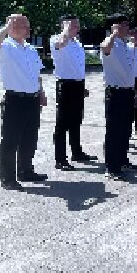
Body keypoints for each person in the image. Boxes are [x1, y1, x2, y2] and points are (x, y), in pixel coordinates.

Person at [0, 14, 48, 190]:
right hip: (15, 100)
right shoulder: (6, 46)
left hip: (32, 99)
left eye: (28, 25)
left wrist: (41, 92)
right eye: (23, 26)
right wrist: (6, 28)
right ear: (12, 27)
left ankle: (25, 171)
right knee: (10, 140)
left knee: (30, 138)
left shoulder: (30, 49)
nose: (28, 29)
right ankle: (8, 179)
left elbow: (36, 74)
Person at [50, 15, 97, 171]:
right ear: (64, 26)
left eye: (78, 25)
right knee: (62, 124)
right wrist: (66, 29)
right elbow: (60, 44)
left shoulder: (77, 43)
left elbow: (77, 65)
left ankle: (77, 152)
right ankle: (60, 159)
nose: (77, 28)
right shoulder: (56, 39)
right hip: (65, 85)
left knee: (76, 120)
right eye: (73, 25)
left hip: (77, 85)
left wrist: (82, 85)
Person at [100, 14, 137, 181]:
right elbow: (104, 48)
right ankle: (111, 167)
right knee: (114, 131)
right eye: (124, 25)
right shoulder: (110, 43)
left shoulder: (125, 45)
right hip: (115, 93)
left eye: (127, 24)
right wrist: (114, 34)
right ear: (114, 27)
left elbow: (129, 72)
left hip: (127, 92)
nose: (127, 28)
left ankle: (123, 161)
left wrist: (134, 92)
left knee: (125, 130)